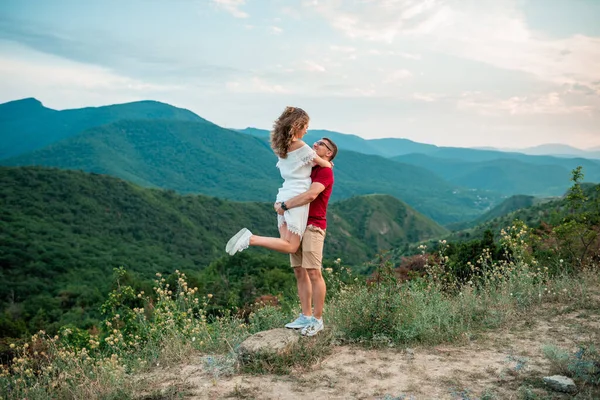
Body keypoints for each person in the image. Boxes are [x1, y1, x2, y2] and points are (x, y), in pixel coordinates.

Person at [225, 106, 332, 257]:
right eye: (306, 127)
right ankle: (251, 239)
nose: (306, 131)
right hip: (297, 195)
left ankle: (251, 239)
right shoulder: (302, 147)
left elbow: (302, 164)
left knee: (285, 242)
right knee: (291, 247)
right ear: (297, 126)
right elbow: (324, 164)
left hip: (284, 194)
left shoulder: (282, 147)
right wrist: (328, 162)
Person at [276, 137, 336, 337]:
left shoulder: (325, 171)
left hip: (313, 226)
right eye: (316, 142)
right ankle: (305, 315)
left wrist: (284, 206)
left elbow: (311, 195)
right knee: (299, 272)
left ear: (328, 153)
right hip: (297, 225)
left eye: (321, 144)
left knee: (313, 272)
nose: (315, 145)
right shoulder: (312, 167)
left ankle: (318, 320)